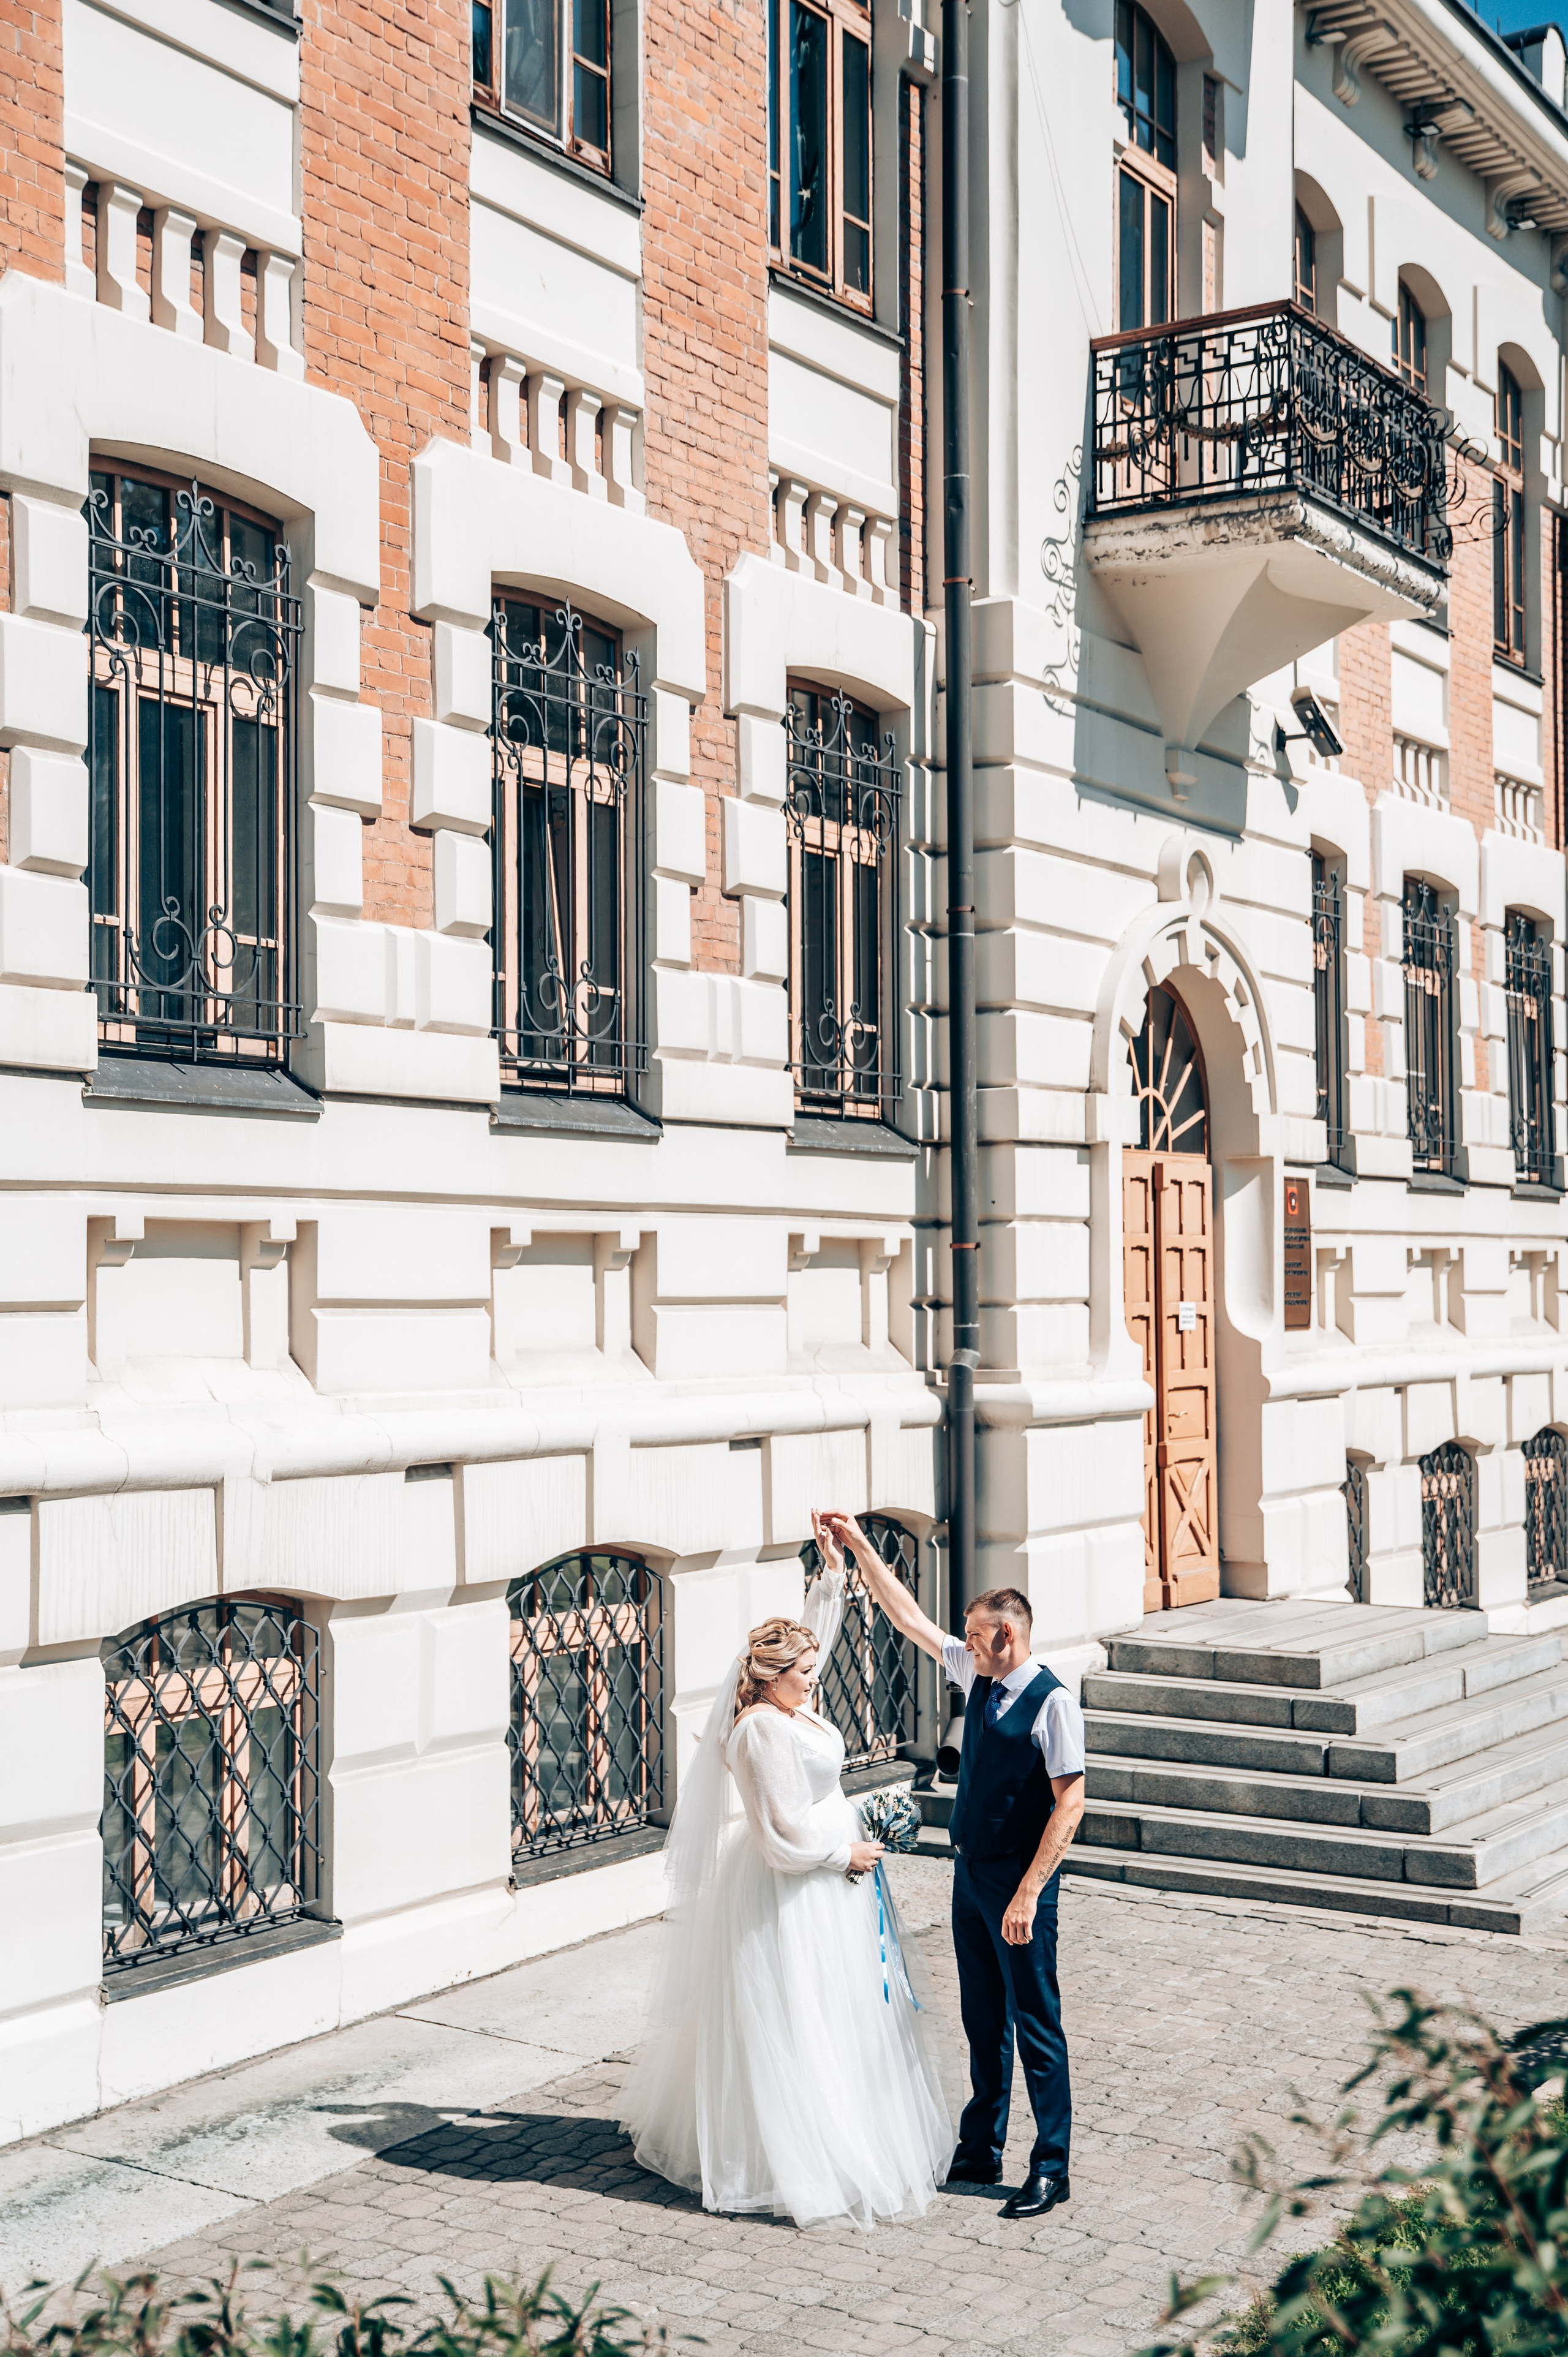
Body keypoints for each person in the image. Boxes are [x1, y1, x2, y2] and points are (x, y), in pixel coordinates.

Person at [619, 1512, 953, 2230]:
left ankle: (843, 2127)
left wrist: (832, 1576)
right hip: (794, 1884)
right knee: (797, 2013)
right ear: (770, 1678)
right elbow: (776, 1836)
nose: (814, 1680)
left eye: (810, 1671)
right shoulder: (760, 1729)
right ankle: (792, 2155)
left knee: (836, 2011)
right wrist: (844, 1853)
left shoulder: (789, 1705)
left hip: (830, 1883)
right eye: (803, 1674)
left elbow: (813, 1647)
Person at [824, 1511, 1084, 2222]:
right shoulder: (978, 1672)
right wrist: (858, 1548)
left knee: (1036, 2024)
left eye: (974, 1633)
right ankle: (980, 2146)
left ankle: (1051, 2167)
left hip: (1017, 1882)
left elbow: (1070, 1806)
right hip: (970, 1876)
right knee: (981, 2017)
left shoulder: (1051, 1700)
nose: (962, 1643)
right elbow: (907, 1618)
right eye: (964, 1635)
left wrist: (1030, 1892)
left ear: (1008, 1634)